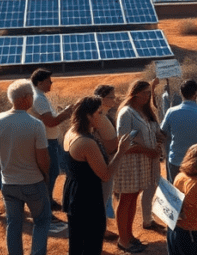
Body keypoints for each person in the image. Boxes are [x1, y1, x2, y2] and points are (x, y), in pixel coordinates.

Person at [63, 97, 130, 255]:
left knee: (77, 243)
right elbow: (106, 175)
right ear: (88, 116)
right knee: (91, 245)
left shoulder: (71, 132)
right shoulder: (86, 142)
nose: (103, 117)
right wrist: (121, 152)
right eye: (99, 113)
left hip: (74, 192)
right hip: (87, 198)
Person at [0, 79, 50, 255]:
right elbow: (43, 160)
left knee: (13, 224)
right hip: (33, 183)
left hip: (8, 183)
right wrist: (45, 175)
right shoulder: (35, 124)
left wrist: (2, 166)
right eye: (31, 95)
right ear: (25, 98)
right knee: (41, 221)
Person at [114, 80, 162, 253]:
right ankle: (123, 240)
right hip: (129, 163)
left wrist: (157, 142)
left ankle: (129, 235)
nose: (148, 96)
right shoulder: (126, 112)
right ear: (135, 93)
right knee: (126, 199)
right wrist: (148, 150)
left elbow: (150, 133)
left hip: (141, 162)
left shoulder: (143, 111)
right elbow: (123, 141)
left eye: (149, 93)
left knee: (133, 198)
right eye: (145, 93)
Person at [29, 68, 73, 214]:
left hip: (49, 140)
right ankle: (45, 205)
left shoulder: (39, 96)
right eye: (49, 81)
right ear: (40, 82)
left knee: (52, 172)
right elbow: (51, 122)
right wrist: (67, 113)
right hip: (47, 141)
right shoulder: (39, 98)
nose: (51, 84)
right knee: (50, 172)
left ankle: (48, 201)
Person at [160, 79, 197, 182]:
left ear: (181, 93)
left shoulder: (171, 112)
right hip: (196, 163)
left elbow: (162, 133)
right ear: (196, 94)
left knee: (176, 193)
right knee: (193, 193)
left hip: (176, 161)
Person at [92, 84, 119, 212]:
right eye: (111, 97)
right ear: (102, 99)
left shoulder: (103, 115)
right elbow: (110, 146)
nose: (115, 99)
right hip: (104, 162)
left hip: (105, 162)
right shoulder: (100, 117)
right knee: (102, 199)